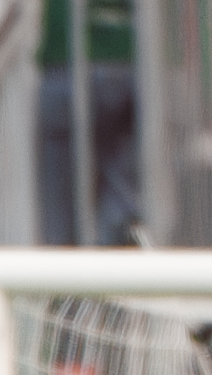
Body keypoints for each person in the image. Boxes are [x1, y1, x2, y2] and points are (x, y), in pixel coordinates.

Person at [36, 0, 137, 246]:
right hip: (123, 59)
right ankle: (114, 253)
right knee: (119, 200)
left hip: (63, 64)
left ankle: (63, 261)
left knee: (59, 210)